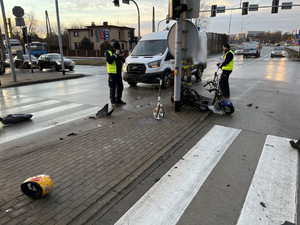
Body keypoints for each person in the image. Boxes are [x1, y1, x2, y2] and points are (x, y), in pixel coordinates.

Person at [106, 41, 126, 107]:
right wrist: (115, 55)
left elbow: (123, 61)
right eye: (116, 49)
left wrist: (123, 56)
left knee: (120, 86)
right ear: (114, 48)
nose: (117, 50)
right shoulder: (108, 52)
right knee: (113, 87)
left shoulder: (119, 52)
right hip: (112, 73)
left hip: (118, 72)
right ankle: (113, 101)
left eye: (118, 49)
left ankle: (118, 99)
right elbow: (109, 61)